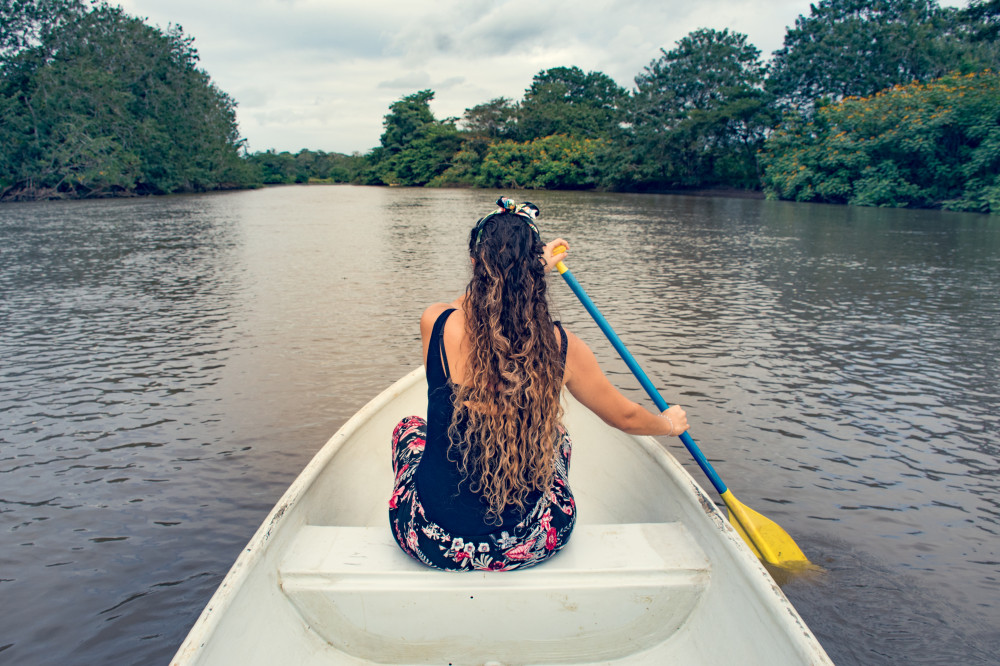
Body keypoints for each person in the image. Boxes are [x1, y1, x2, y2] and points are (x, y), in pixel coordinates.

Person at [389, 197, 688, 571]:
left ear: (474, 265)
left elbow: (465, 306)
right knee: (557, 439)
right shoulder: (564, 347)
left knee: (408, 430)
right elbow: (625, 417)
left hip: (430, 540)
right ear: (534, 270)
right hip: (528, 544)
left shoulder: (435, 322)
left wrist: (518, 270)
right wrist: (669, 424)